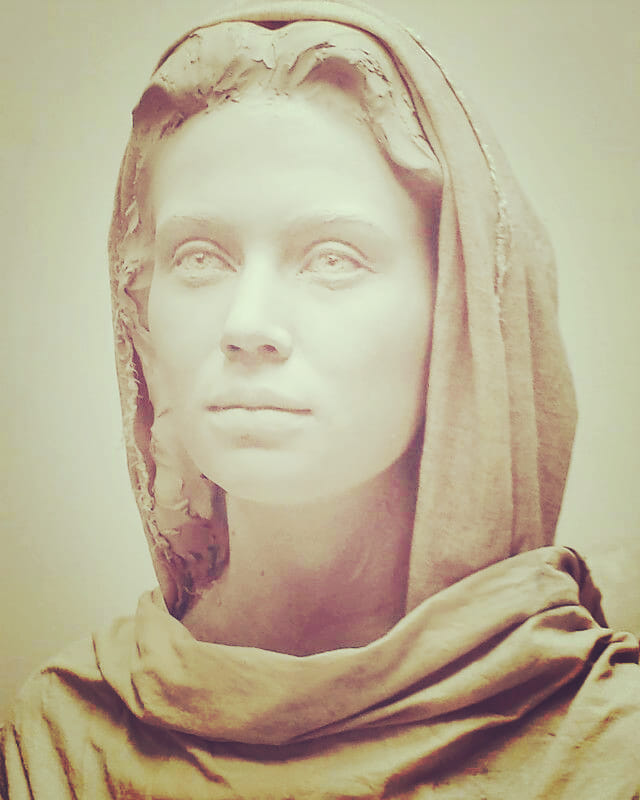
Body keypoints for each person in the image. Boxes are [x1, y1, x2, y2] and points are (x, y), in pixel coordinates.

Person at [2, 1, 639, 797]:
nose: (247, 325)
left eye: (333, 258)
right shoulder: (61, 740)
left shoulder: (611, 747)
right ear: (143, 311)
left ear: (459, 318)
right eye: (199, 257)